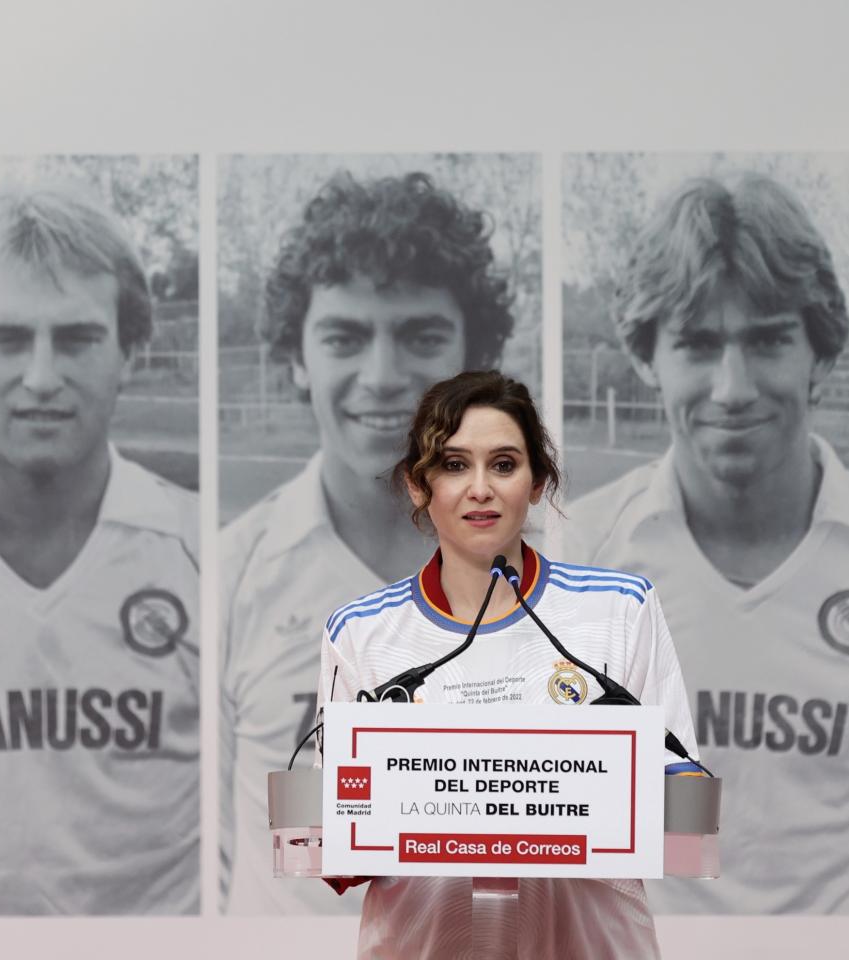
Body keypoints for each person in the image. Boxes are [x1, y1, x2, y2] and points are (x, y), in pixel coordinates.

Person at [565, 172, 849, 914]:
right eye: (698, 345)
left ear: (821, 353)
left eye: (769, 340)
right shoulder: (571, 563)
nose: (733, 388)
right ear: (647, 358)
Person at [0, 184, 199, 915]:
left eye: (77, 339)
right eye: (7, 339)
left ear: (129, 352)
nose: (43, 378)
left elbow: (281, 828)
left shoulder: (212, 561)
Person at [319, 370, 698, 958]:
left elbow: (684, 805)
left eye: (503, 464)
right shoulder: (361, 631)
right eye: (453, 465)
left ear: (538, 482)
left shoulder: (620, 609)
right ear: (418, 486)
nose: (480, 489)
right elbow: (336, 842)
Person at [221, 171, 517, 914]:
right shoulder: (228, 575)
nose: (383, 377)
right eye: (345, 337)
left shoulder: (570, 580)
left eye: (421, 337)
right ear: (297, 357)